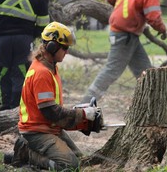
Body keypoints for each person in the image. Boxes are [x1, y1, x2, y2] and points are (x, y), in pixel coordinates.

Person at [5, 22, 99, 171]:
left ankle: (28, 151)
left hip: (50, 128)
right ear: (52, 47)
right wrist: (82, 114)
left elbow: (52, 109)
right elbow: (50, 112)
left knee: (80, 160)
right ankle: (27, 152)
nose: (67, 52)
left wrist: (79, 118)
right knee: (70, 165)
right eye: (65, 47)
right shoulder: (42, 73)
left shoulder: (50, 66)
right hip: (37, 131)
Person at [82, 0, 167, 103]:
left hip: (128, 36)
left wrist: (122, 7)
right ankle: (85, 104)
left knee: (145, 72)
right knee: (112, 71)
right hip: (125, 36)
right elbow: (154, 18)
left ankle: (154, 105)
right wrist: (163, 30)